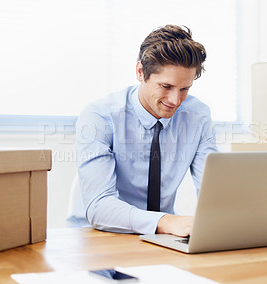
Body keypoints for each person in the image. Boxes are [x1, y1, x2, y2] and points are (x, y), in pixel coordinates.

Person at [74, 25, 218, 237]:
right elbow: (99, 207)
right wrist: (166, 221)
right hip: (96, 235)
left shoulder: (198, 116)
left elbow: (213, 189)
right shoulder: (100, 117)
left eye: (184, 89)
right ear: (141, 72)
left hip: (162, 236)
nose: (175, 100)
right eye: (166, 86)